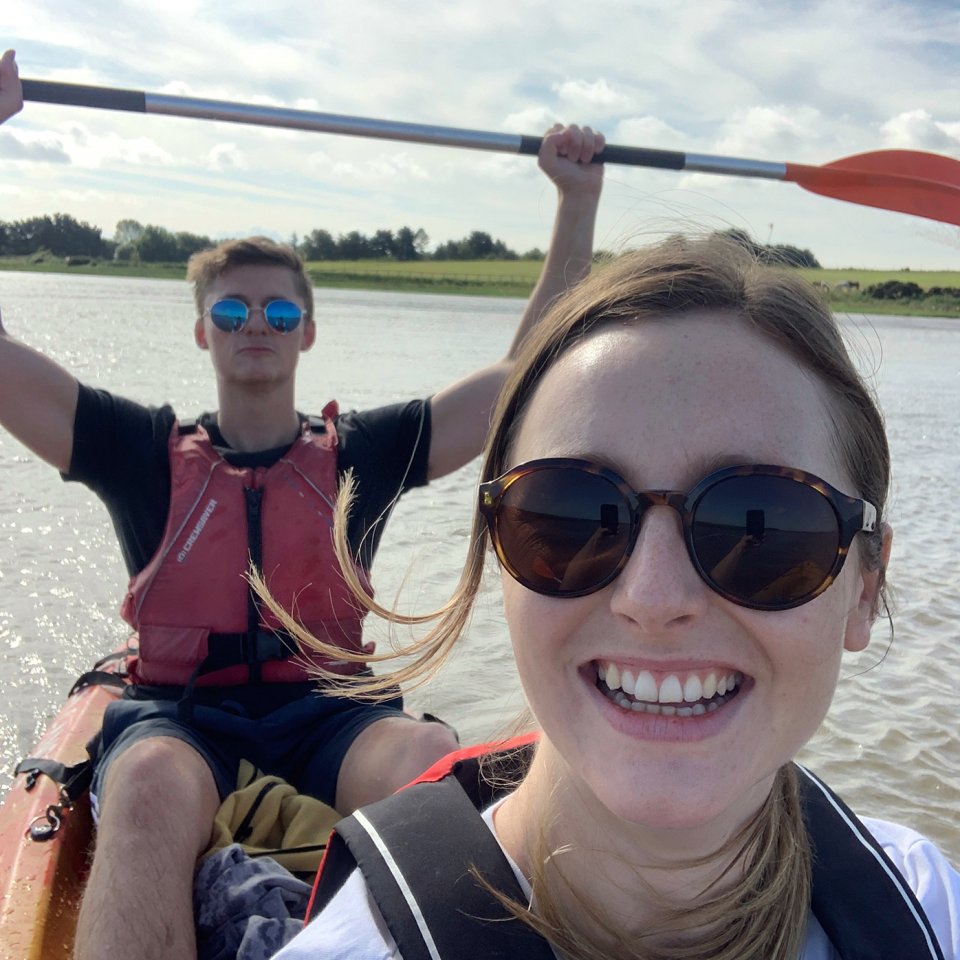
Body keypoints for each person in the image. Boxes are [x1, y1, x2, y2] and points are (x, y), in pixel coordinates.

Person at [0, 48, 607, 960]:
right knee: (147, 782)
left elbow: (528, 377)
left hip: (331, 713)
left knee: (426, 763)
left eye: (279, 313)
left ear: (307, 333)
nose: (256, 325)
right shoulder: (137, 451)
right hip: (179, 715)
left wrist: (577, 201)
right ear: (202, 330)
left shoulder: (360, 452)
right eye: (233, 311)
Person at [269, 235, 960, 959]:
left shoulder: (925, 911)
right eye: (569, 516)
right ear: (501, 556)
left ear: (865, 589)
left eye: (760, 526)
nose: (653, 598)